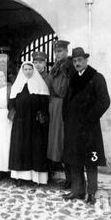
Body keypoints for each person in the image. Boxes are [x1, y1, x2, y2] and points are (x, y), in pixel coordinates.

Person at [62, 47, 110, 205]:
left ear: (86, 60)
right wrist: (66, 118)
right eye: (75, 61)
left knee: (90, 161)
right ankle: (77, 191)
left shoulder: (96, 77)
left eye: (80, 60)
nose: (77, 63)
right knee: (74, 160)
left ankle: (92, 193)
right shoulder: (73, 78)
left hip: (89, 129)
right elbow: (67, 101)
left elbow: (104, 101)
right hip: (74, 128)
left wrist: (90, 117)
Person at [8, 62, 50, 185]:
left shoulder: (40, 85)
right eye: (25, 69)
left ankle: (36, 178)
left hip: (35, 124)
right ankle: (20, 177)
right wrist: (15, 112)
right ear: (22, 71)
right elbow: (11, 104)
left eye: (30, 69)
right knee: (20, 150)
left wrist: (40, 114)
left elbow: (44, 104)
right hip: (20, 123)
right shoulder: (17, 86)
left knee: (35, 149)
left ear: (33, 71)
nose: (27, 71)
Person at [46, 40, 75, 188]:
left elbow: (66, 89)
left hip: (65, 107)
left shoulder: (70, 68)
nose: (57, 54)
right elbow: (50, 87)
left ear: (66, 51)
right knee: (57, 142)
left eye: (60, 51)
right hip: (55, 107)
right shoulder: (55, 68)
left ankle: (71, 178)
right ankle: (65, 176)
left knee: (65, 142)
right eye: (56, 52)